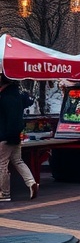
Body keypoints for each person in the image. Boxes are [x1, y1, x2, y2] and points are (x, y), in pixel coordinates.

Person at [0, 73, 39, 201]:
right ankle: (31, 182)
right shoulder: (18, 96)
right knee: (18, 161)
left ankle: (5, 193)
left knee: (2, 164)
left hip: (5, 136)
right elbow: (29, 101)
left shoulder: (4, 98)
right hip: (16, 135)